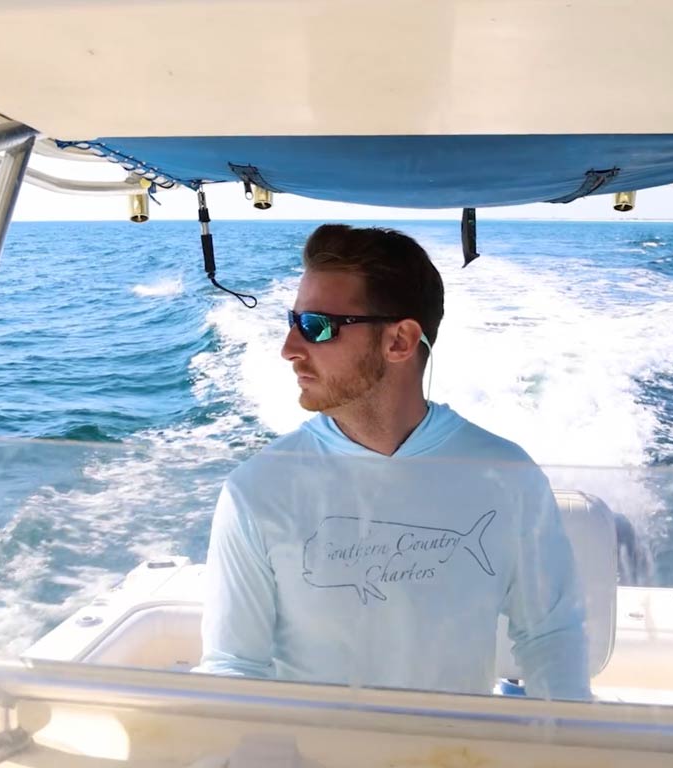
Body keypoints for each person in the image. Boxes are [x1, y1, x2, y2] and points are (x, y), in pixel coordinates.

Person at [197, 224, 590, 700]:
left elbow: (550, 637)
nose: (289, 349)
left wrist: (561, 741)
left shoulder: (507, 476)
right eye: (291, 320)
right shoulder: (257, 489)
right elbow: (233, 664)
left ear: (401, 341)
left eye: (316, 326)